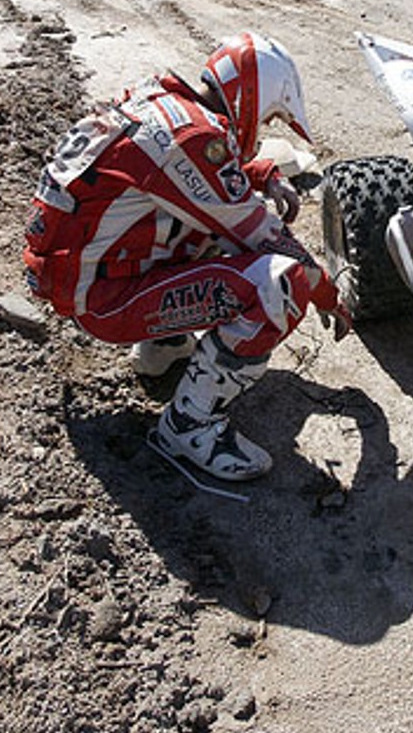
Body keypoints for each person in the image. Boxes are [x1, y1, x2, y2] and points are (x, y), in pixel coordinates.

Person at [22, 33, 350, 482]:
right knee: (283, 281)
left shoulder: (162, 102)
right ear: (252, 98)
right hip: (101, 300)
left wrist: (261, 174)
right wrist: (327, 293)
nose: (265, 126)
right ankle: (188, 426)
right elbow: (268, 238)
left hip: (82, 272)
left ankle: (164, 345)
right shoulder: (194, 137)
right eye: (271, 116)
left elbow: (181, 174)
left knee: (207, 225)